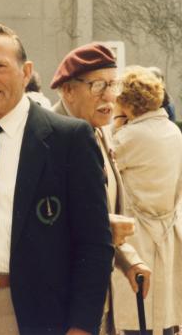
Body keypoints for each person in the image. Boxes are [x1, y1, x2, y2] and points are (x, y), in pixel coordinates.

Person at [0, 21, 113, 335]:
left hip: (34, 308)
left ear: (25, 71)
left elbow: (95, 244)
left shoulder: (68, 138)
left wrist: (81, 326)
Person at [50, 43, 151, 334]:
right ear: (68, 90)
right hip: (63, 302)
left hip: (95, 293)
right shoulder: (49, 138)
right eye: (98, 86)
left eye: (113, 84)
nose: (110, 96)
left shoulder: (99, 132)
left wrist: (130, 260)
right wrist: (103, 229)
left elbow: (101, 213)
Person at [110, 66, 182, 335]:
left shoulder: (129, 137)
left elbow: (104, 164)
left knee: (136, 313)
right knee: (163, 314)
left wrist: (116, 123)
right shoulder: (174, 132)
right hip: (168, 228)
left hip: (136, 232)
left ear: (127, 102)